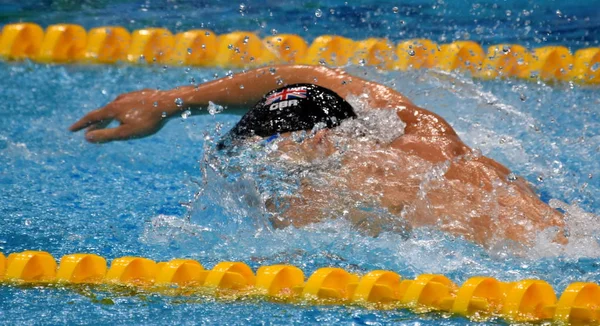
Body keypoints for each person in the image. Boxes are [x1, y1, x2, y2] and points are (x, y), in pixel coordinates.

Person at [70, 64, 565, 246]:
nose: (266, 176)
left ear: (317, 140)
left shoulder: (344, 182)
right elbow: (313, 79)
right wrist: (169, 102)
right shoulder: (423, 131)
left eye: (268, 157)